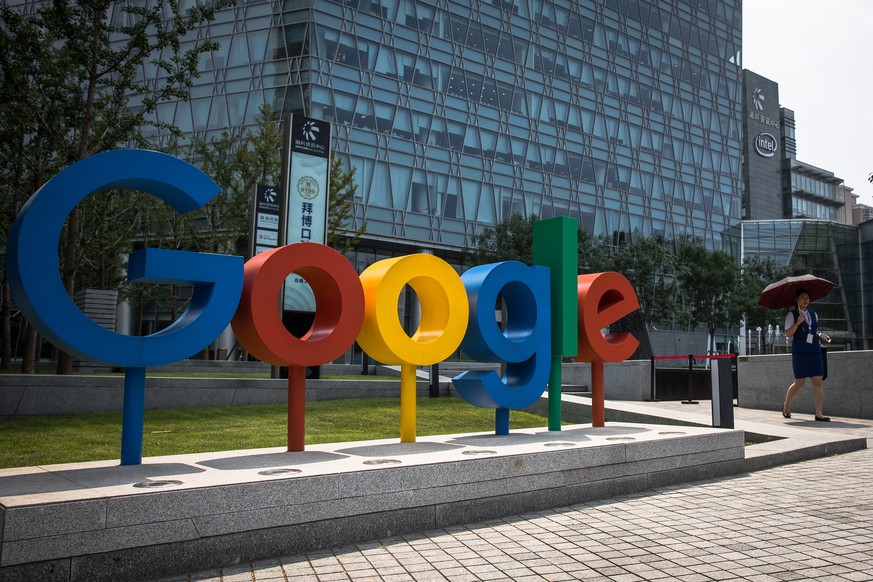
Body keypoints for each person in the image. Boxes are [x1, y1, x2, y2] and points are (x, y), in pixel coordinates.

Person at [782, 288, 831, 421]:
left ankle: (819, 414)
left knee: (818, 381)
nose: (805, 300)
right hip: (800, 352)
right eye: (802, 297)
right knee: (799, 382)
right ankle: (786, 405)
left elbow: (812, 331)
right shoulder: (791, 315)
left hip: (814, 351)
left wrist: (821, 335)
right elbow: (788, 333)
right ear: (796, 299)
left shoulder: (814, 315)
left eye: (807, 297)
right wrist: (797, 323)